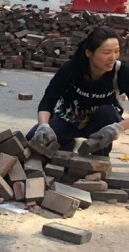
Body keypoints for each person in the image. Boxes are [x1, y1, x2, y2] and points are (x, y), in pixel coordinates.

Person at [28, 27, 128, 156]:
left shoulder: (121, 72)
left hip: (101, 126)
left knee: (107, 112)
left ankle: (99, 163)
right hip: (69, 120)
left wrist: (118, 128)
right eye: (106, 52)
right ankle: (67, 144)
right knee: (32, 143)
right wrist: (43, 126)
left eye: (117, 51)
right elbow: (47, 102)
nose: (113, 57)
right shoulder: (71, 69)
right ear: (89, 53)